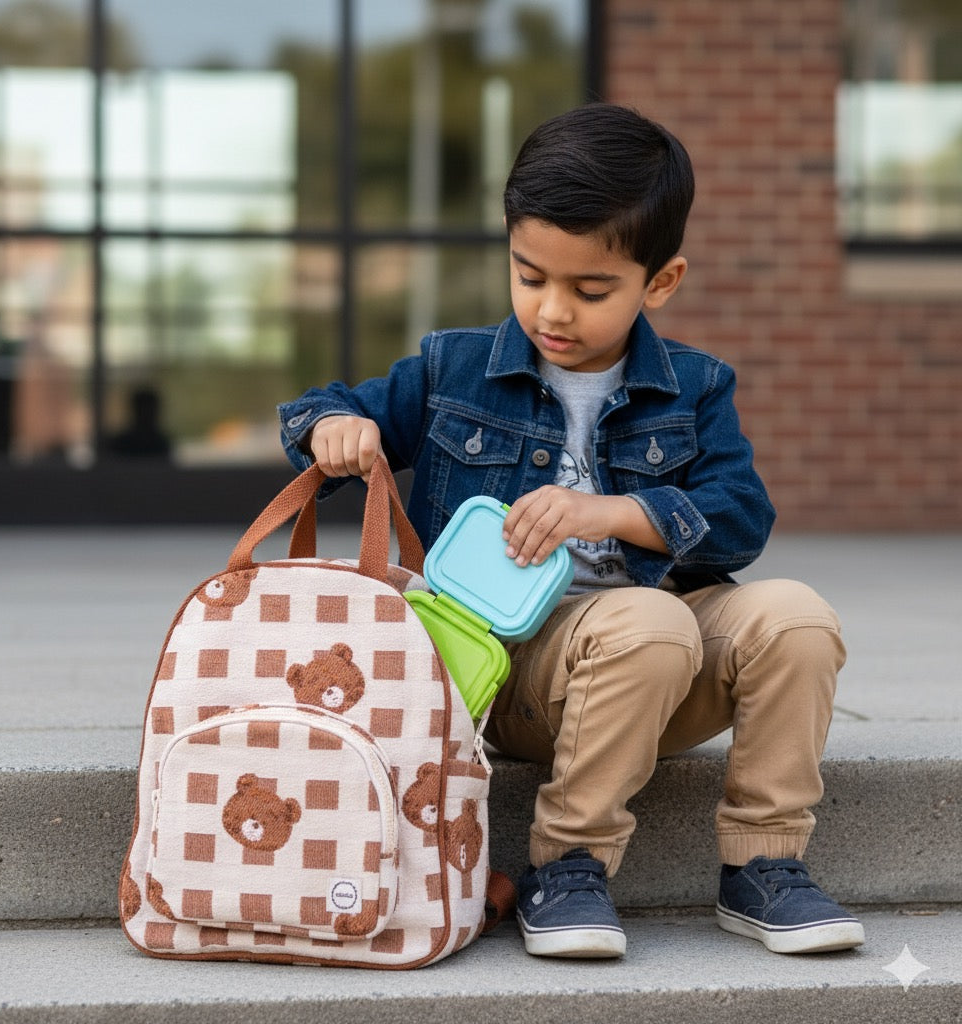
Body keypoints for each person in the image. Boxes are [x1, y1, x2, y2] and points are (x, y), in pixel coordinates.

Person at [278, 103, 862, 960]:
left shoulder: (693, 388)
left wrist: (616, 513)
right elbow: (322, 410)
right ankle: (569, 865)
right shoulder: (458, 367)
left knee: (797, 616)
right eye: (529, 276)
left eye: (590, 291)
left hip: (654, 669)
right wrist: (334, 430)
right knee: (649, 623)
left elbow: (743, 518)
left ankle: (763, 865)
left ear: (659, 283)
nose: (552, 310)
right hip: (510, 673)